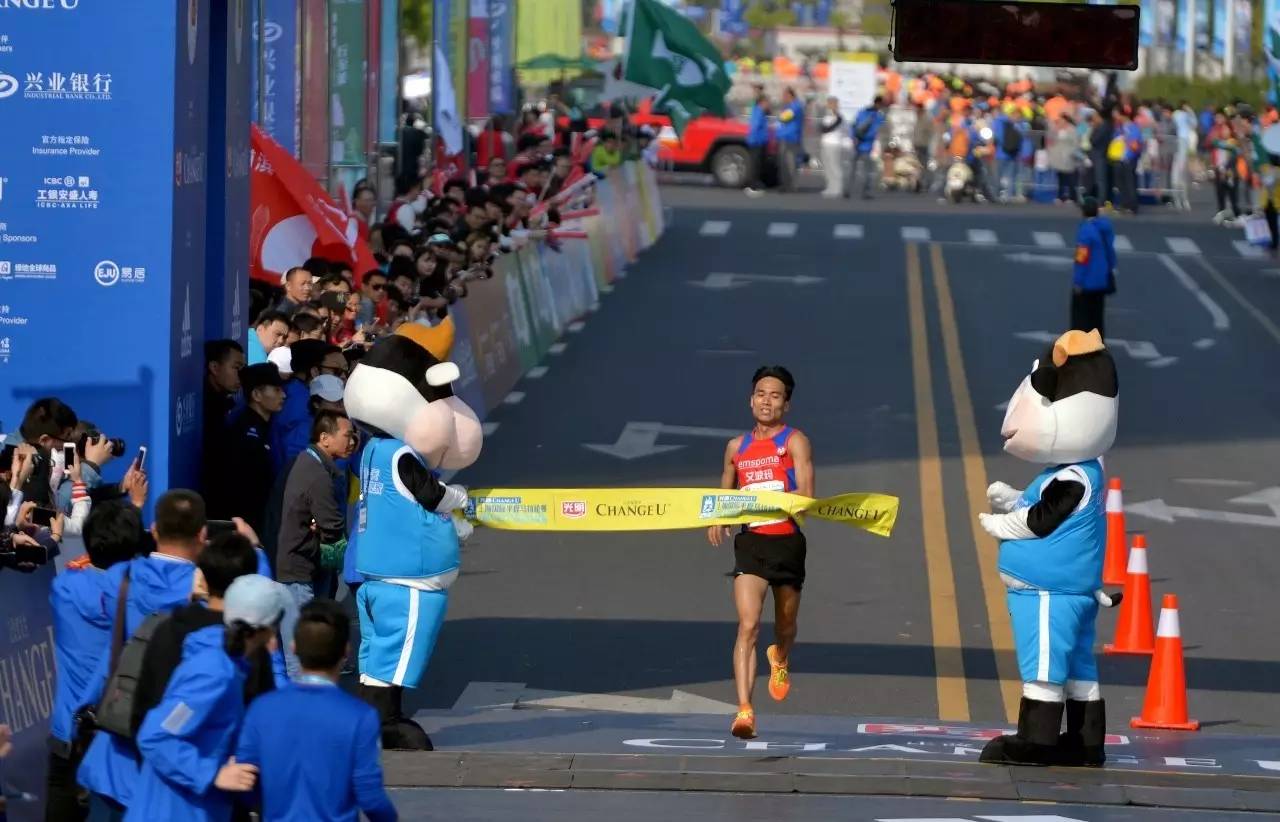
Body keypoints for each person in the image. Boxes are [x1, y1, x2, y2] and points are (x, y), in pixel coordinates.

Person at [78, 490, 210, 820]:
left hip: (113, 759)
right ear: (203, 534)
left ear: (153, 530)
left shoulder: (120, 579)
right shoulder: (207, 597)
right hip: (171, 774)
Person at [129, 574, 291, 822]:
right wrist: (213, 774)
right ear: (269, 629)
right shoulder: (214, 672)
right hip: (175, 811)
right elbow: (156, 736)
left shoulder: (229, 664)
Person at [707, 366, 813, 741]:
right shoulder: (737, 447)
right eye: (761, 394)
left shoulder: (795, 441)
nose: (767, 401)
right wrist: (719, 518)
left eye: (776, 396)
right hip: (750, 544)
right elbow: (726, 488)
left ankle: (780, 657)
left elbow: (805, 490)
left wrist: (797, 503)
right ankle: (744, 710)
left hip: (786, 543)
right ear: (751, 400)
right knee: (748, 625)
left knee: (785, 626)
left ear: (786, 404)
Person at [236, 600, 399, 821]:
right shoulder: (361, 717)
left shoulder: (262, 709)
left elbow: (245, 782)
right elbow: (370, 797)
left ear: (293, 647)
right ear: (346, 652)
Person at [46, 502, 147, 821]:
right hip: (118, 737)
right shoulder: (142, 597)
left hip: (69, 728)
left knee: (61, 800)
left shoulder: (64, 588)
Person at [276, 411, 356, 678]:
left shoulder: (311, 463)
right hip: (298, 574)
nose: (352, 442)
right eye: (347, 436)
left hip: (303, 568)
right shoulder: (317, 475)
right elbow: (332, 525)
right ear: (325, 438)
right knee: (299, 656)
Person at [205, 364, 285, 532]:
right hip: (245, 524)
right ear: (256, 394)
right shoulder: (245, 433)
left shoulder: (266, 427)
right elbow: (243, 487)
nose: (283, 395)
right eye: (276, 390)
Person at [1070, 197, 1116, 338]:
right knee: (1097, 317)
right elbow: (1111, 253)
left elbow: (1081, 259)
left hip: (1087, 282)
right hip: (1101, 280)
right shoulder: (1105, 228)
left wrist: (1077, 281)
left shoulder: (1085, 232)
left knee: (1081, 318)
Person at [846, 96, 887, 199]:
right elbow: (874, 132)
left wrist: (853, 138)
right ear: (880, 104)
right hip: (866, 145)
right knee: (867, 170)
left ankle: (847, 190)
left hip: (856, 143)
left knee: (852, 169)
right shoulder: (878, 117)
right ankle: (865, 192)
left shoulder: (862, 112)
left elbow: (853, 125)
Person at [776, 87, 805, 193]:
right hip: (785, 137)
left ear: (790, 95)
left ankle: (791, 185)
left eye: (785, 95)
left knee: (790, 162)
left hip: (791, 138)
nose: (783, 98)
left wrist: (780, 114)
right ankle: (785, 184)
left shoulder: (795, 106)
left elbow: (783, 117)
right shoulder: (790, 106)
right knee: (784, 162)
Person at [1048, 115, 1081, 203]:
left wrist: (1071, 152)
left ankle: (1072, 197)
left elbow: (1076, 143)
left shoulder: (1072, 129)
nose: (1061, 122)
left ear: (1066, 121)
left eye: (1062, 120)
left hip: (1068, 156)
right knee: (1060, 177)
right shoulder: (1056, 129)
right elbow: (1051, 139)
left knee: (1070, 177)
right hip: (1058, 156)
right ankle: (1060, 196)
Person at [745, 93, 770, 197]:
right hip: (757, 141)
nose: (768, 105)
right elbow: (755, 126)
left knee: (756, 164)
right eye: (766, 102)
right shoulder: (759, 112)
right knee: (756, 165)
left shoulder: (758, 111)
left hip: (757, 141)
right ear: (761, 102)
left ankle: (753, 185)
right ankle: (753, 187)